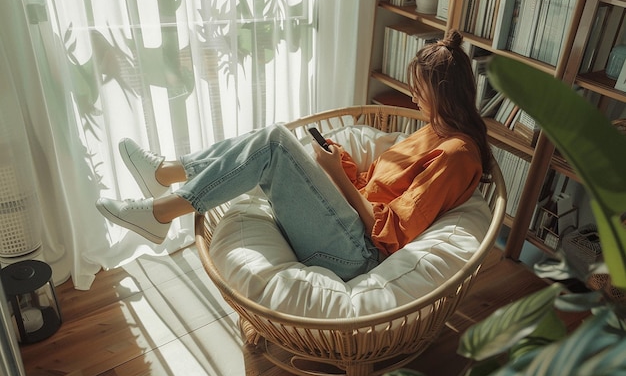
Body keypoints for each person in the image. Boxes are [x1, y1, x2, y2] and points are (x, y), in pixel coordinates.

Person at [96, 29, 491, 281]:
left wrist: (335, 175)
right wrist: (342, 164)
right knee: (269, 139)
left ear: (444, 93)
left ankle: (160, 210)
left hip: (358, 254)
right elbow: (376, 187)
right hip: (347, 223)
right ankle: (165, 175)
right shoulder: (435, 129)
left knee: (272, 142)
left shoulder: (457, 155)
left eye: (420, 89)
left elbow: (391, 234)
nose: (413, 96)